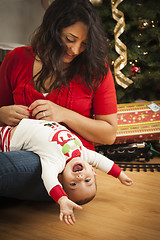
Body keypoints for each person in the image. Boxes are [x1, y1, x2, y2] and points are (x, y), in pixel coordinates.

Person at [0, 0, 118, 214]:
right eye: (69, 39)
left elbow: (109, 133)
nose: (75, 50)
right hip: (13, 147)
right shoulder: (16, 59)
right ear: (51, 31)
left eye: (84, 43)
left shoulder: (96, 70)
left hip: (60, 166)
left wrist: (64, 114)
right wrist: (1, 113)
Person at [0, 119, 133, 225]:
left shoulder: (55, 162)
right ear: (93, 171)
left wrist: (62, 199)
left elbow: (49, 179)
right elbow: (100, 160)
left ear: (61, 178)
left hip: (6, 139)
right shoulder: (83, 154)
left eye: (73, 184)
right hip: (20, 123)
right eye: (88, 180)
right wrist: (119, 174)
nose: (80, 177)